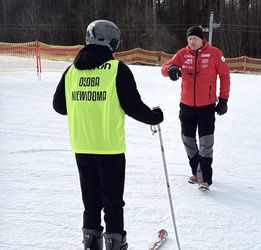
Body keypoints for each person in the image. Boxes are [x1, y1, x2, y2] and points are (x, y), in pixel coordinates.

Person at [53, 20, 163, 250]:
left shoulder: (72, 71)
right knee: (113, 202)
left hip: (82, 145)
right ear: (111, 42)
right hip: (109, 147)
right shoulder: (116, 70)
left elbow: (59, 106)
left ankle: (91, 242)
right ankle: (114, 242)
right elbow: (133, 106)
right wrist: (154, 117)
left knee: (91, 201)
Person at [161, 26, 230, 190]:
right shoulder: (182, 54)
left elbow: (225, 76)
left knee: (206, 143)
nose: (192, 42)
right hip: (186, 106)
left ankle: (204, 178)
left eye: (195, 39)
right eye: (190, 38)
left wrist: (223, 99)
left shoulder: (215, 53)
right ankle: (197, 172)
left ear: (202, 39)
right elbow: (164, 69)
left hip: (206, 107)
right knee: (188, 140)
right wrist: (170, 68)